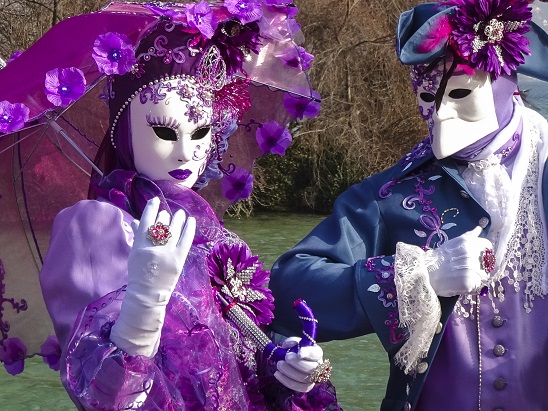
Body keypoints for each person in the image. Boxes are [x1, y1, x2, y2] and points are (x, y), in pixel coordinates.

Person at [0, 1, 340, 410]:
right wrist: (143, 303)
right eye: (164, 130)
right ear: (124, 129)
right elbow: (102, 394)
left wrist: (283, 365)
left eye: (200, 133)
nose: (186, 153)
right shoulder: (95, 227)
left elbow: (229, 363)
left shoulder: (207, 228)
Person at [269, 0, 548, 409]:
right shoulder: (392, 194)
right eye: (428, 96)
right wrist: (420, 275)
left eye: (459, 92)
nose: (441, 114)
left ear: (508, 83)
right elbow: (286, 287)